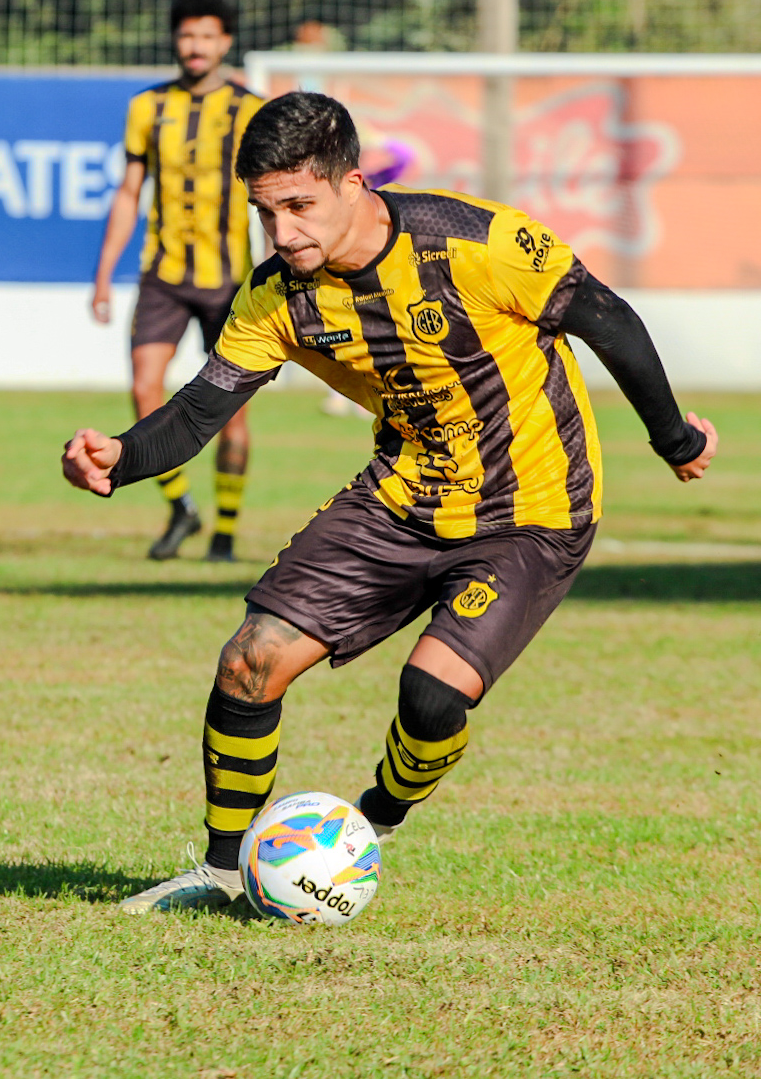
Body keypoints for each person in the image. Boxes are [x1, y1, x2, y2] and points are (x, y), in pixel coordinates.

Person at [63, 92, 719, 913]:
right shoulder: (276, 298)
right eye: (266, 214)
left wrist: (673, 439)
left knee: (431, 696)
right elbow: (200, 409)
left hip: (532, 513)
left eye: (299, 206)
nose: (284, 233)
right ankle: (222, 871)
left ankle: (369, 825)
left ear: (353, 183)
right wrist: (120, 458)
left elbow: (606, 319)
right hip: (399, 499)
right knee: (249, 660)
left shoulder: (474, 242)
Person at [90, 0, 264, 562]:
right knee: (145, 389)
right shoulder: (148, 107)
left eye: (207, 37)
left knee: (232, 409)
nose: (196, 47)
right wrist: (103, 274)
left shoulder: (250, 109)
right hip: (163, 275)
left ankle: (225, 533)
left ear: (225, 43)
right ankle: (182, 507)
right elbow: (128, 192)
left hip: (228, 280)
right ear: (176, 40)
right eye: (187, 36)